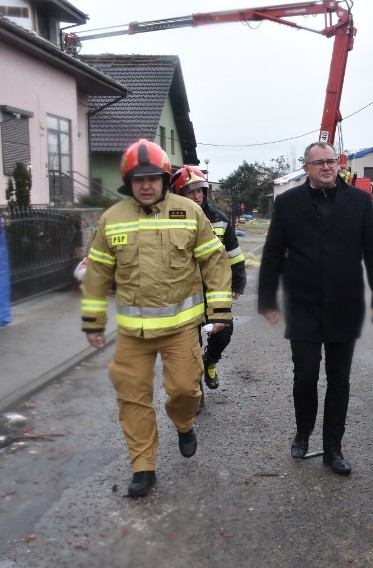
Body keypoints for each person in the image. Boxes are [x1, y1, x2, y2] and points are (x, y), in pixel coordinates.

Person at [81, 139, 233, 497]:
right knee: (132, 396)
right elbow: (98, 274)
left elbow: (214, 261)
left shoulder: (189, 212)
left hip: (180, 329)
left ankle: (183, 423)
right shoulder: (112, 219)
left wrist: (221, 310)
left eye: (152, 177)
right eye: (138, 179)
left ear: (165, 179)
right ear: (128, 182)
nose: (146, 184)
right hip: (133, 334)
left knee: (184, 389)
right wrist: (93, 321)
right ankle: (143, 466)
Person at [258, 141, 373, 475]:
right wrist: (267, 300)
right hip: (303, 305)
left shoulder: (359, 201)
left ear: (338, 164)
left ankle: (334, 447)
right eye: (319, 163)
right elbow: (273, 253)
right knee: (304, 377)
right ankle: (303, 433)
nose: (327, 167)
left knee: (339, 380)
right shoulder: (288, 203)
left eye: (331, 161)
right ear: (307, 169)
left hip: (344, 305)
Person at [170, 165, 246, 409]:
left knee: (223, 333)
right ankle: (196, 391)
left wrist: (238, 281)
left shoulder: (219, 220)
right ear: (179, 193)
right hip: (183, 294)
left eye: (200, 191)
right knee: (190, 344)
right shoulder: (170, 219)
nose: (197, 196)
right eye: (190, 192)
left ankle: (210, 362)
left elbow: (233, 254)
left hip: (214, 291)